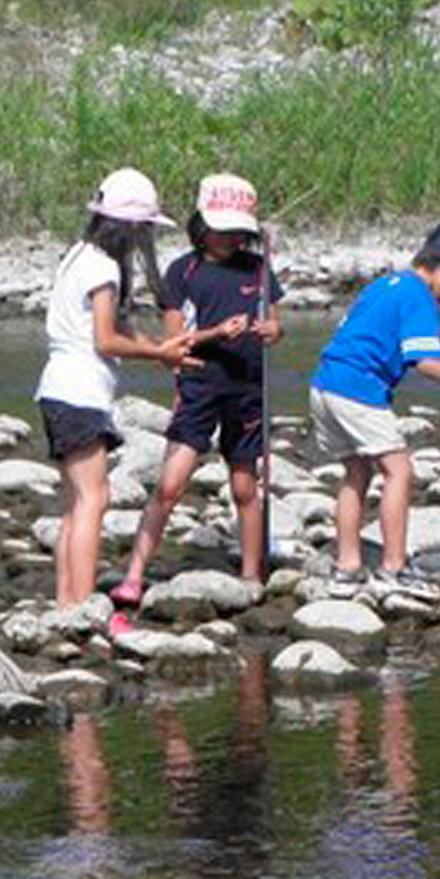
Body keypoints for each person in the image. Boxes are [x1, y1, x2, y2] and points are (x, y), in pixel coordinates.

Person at [35, 167, 234, 616]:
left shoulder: (77, 255)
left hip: (55, 388)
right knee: (94, 500)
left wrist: (161, 348)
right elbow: (105, 339)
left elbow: (113, 331)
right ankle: (84, 606)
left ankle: (67, 602)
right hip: (80, 391)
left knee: (76, 502)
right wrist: (157, 354)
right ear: (130, 227)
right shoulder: (104, 266)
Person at [310, 220, 440, 601]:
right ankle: (394, 568)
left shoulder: (386, 285)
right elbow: (425, 361)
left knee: (356, 471)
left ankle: (347, 569)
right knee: (399, 471)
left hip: (324, 385)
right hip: (358, 389)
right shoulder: (419, 296)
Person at [115, 174, 281, 606]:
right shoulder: (183, 271)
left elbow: (276, 325)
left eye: (236, 232)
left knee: (246, 487)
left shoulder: (259, 268)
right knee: (170, 486)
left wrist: (269, 329)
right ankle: (134, 574)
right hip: (199, 388)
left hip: (247, 388)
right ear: (202, 225)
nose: (228, 239)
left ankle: (250, 575)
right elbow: (174, 345)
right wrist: (216, 333)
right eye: (220, 230)